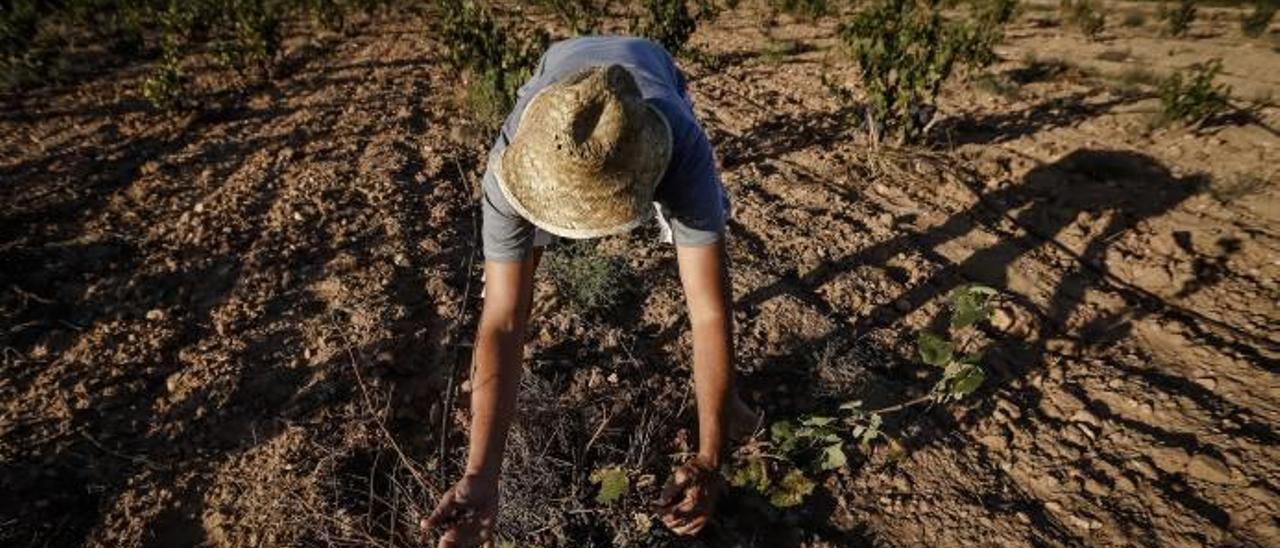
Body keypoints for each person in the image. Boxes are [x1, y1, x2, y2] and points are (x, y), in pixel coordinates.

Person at [422, 36, 757, 547]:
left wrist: (709, 458)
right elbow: (504, 320)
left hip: (650, 66)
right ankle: (484, 406)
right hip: (556, 69)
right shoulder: (512, 165)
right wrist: (482, 474)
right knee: (509, 286)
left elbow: (708, 312)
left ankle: (724, 404)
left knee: (707, 278)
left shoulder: (681, 148)